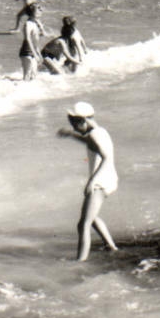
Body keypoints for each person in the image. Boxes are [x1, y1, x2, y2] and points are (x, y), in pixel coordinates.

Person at [58, 101, 118, 261]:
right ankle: (111, 246)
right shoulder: (100, 131)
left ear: (83, 121)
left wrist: (92, 181)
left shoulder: (94, 135)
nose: (74, 128)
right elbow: (89, 142)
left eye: (74, 125)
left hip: (101, 182)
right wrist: (71, 134)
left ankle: (80, 261)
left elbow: (105, 158)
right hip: (109, 178)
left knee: (83, 224)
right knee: (90, 216)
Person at [17, 2, 45, 81]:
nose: (41, 10)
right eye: (38, 9)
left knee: (33, 76)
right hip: (26, 52)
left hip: (33, 52)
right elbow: (28, 39)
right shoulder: (28, 24)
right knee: (27, 76)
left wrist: (38, 53)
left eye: (40, 9)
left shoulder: (35, 23)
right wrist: (35, 54)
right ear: (32, 12)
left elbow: (36, 41)